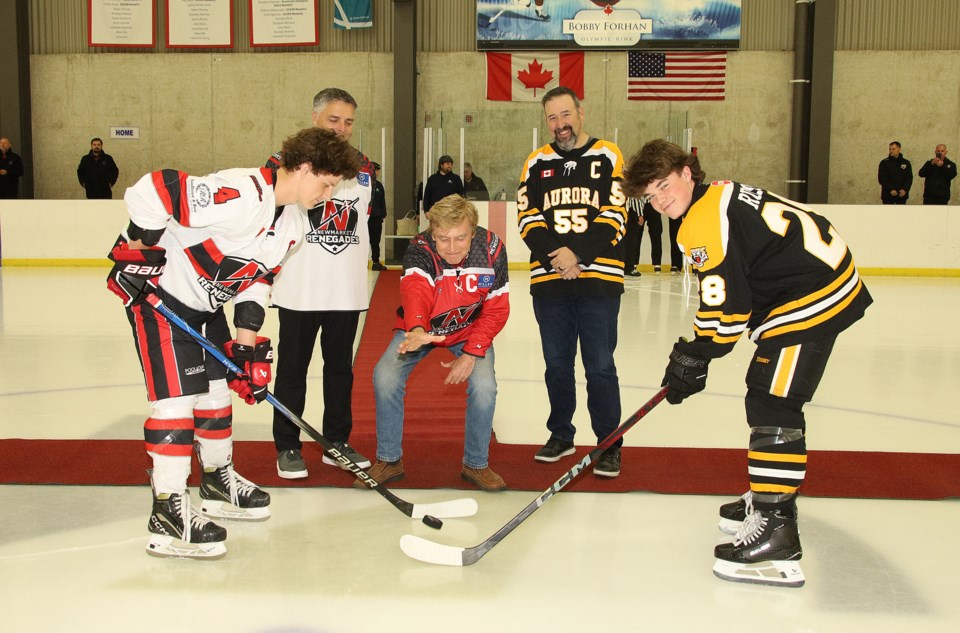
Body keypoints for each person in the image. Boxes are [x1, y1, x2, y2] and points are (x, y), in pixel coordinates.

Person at [622, 139, 873, 588]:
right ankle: (768, 491)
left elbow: (729, 310)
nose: (660, 201)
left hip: (813, 294)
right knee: (768, 394)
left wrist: (695, 354)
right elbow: (727, 295)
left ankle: (776, 526)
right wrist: (697, 351)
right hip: (814, 281)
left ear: (686, 171)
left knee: (772, 401)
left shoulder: (700, 220)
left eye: (664, 186)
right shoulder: (717, 193)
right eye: (651, 196)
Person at [106, 127, 359, 559]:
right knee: (176, 404)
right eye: (327, 182)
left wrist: (245, 348)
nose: (328, 193)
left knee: (218, 393)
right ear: (303, 168)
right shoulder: (243, 194)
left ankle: (216, 482)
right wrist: (139, 248)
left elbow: (256, 280)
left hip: (207, 309)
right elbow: (155, 189)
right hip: (161, 300)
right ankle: (166, 511)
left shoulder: (294, 222)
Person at [356, 194, 510, 491]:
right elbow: (415, 289)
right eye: (443, 239)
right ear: (432, 232)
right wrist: (416, 329)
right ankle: (389, 459)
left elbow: (496, 308)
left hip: (469, 331)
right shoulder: (419, 248)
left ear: (473, 231)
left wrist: (471, 353)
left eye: (459, 238)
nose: (451, 247)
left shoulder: (492, 250)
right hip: (421, 330)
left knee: (484, 387)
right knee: (385, 376)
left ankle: (476, 464)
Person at [517, 86, 627, 477]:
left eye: (566, 115)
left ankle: (609, 443)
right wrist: (559, 259)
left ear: (581, 114)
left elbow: (615, 215)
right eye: (552, 118)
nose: (560, 125)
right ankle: (561, 434)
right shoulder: (535, 162)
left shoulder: (609, 155)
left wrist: (576, 255)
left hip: (598, 281)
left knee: (600, 366)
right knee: (556, 365)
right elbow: (528, 220)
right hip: (550, 284)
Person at [267, 88, 376, 480]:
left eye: (348, 121)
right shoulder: (284, 163)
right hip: (299, 289)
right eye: (334, 120)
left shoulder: (365, 166)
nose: (342, 128)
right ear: (315, 118)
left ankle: (336, 442)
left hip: (344, 291)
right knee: (292, 371)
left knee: (339, 371)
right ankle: (288, 445)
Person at [369, 162, 388, 270]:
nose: (377, 172)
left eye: (378, 170)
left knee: (375, 241)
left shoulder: (379, 185)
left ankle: (376, 261)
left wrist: (383, 214)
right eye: (376, 170)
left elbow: (382, 201)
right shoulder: (363, 184)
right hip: (365, 217)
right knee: (362, 241)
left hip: (376, 217)